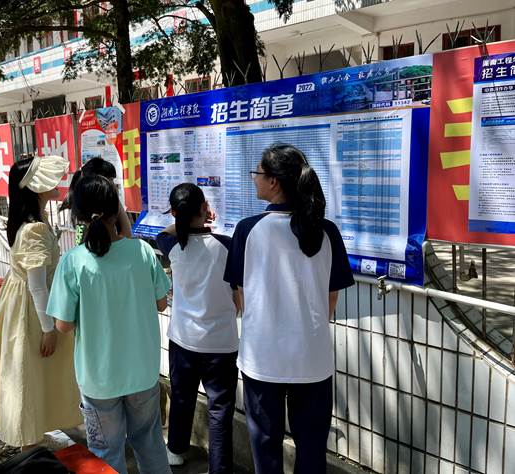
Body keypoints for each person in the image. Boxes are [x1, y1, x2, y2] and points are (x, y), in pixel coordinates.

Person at [224, 144, 354, 474]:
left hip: (262, 358)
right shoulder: (327, 231)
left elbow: (240, 297)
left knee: (265, 448)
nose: (254, 179)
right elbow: (331, 298)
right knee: (312, 450)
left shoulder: (247, 230)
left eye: (257, 174)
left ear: (274, 182)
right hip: (312, 358)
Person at [47, 175, 171, 474]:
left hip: (98, 377)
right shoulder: (142, 252)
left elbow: (63, 325)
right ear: (117, 210)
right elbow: (161, 303)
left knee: (105, 453)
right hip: (142, 372)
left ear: (78, 215)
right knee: (150, 444)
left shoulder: (73, 261)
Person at [0, 156, 82, 450]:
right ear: (36, 188)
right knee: (28, 371)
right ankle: (29, 442)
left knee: (30, 371)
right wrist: (49, 329)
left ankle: (32, 433)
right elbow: (37, 286)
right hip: (32, 310)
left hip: (22, 304)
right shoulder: (34, 228)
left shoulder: (32, 222)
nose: (56, 182)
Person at [156, 183, 238, 473]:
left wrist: (186, 218)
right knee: (220, 409)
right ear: (205, 208)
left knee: (181, 397)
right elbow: (238, 293)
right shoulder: (227, 245)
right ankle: (220, 467)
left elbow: (163, 233)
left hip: (183, 339)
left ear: (175, 212)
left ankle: (176, 450)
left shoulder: (172, 246)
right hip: (221, 343)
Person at [59, 157, 132, 244]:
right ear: (96, 182)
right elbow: (127, 236)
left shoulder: (88, 203)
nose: (114, 185)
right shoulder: (85, 209)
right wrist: (113, 196)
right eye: (110, 180)